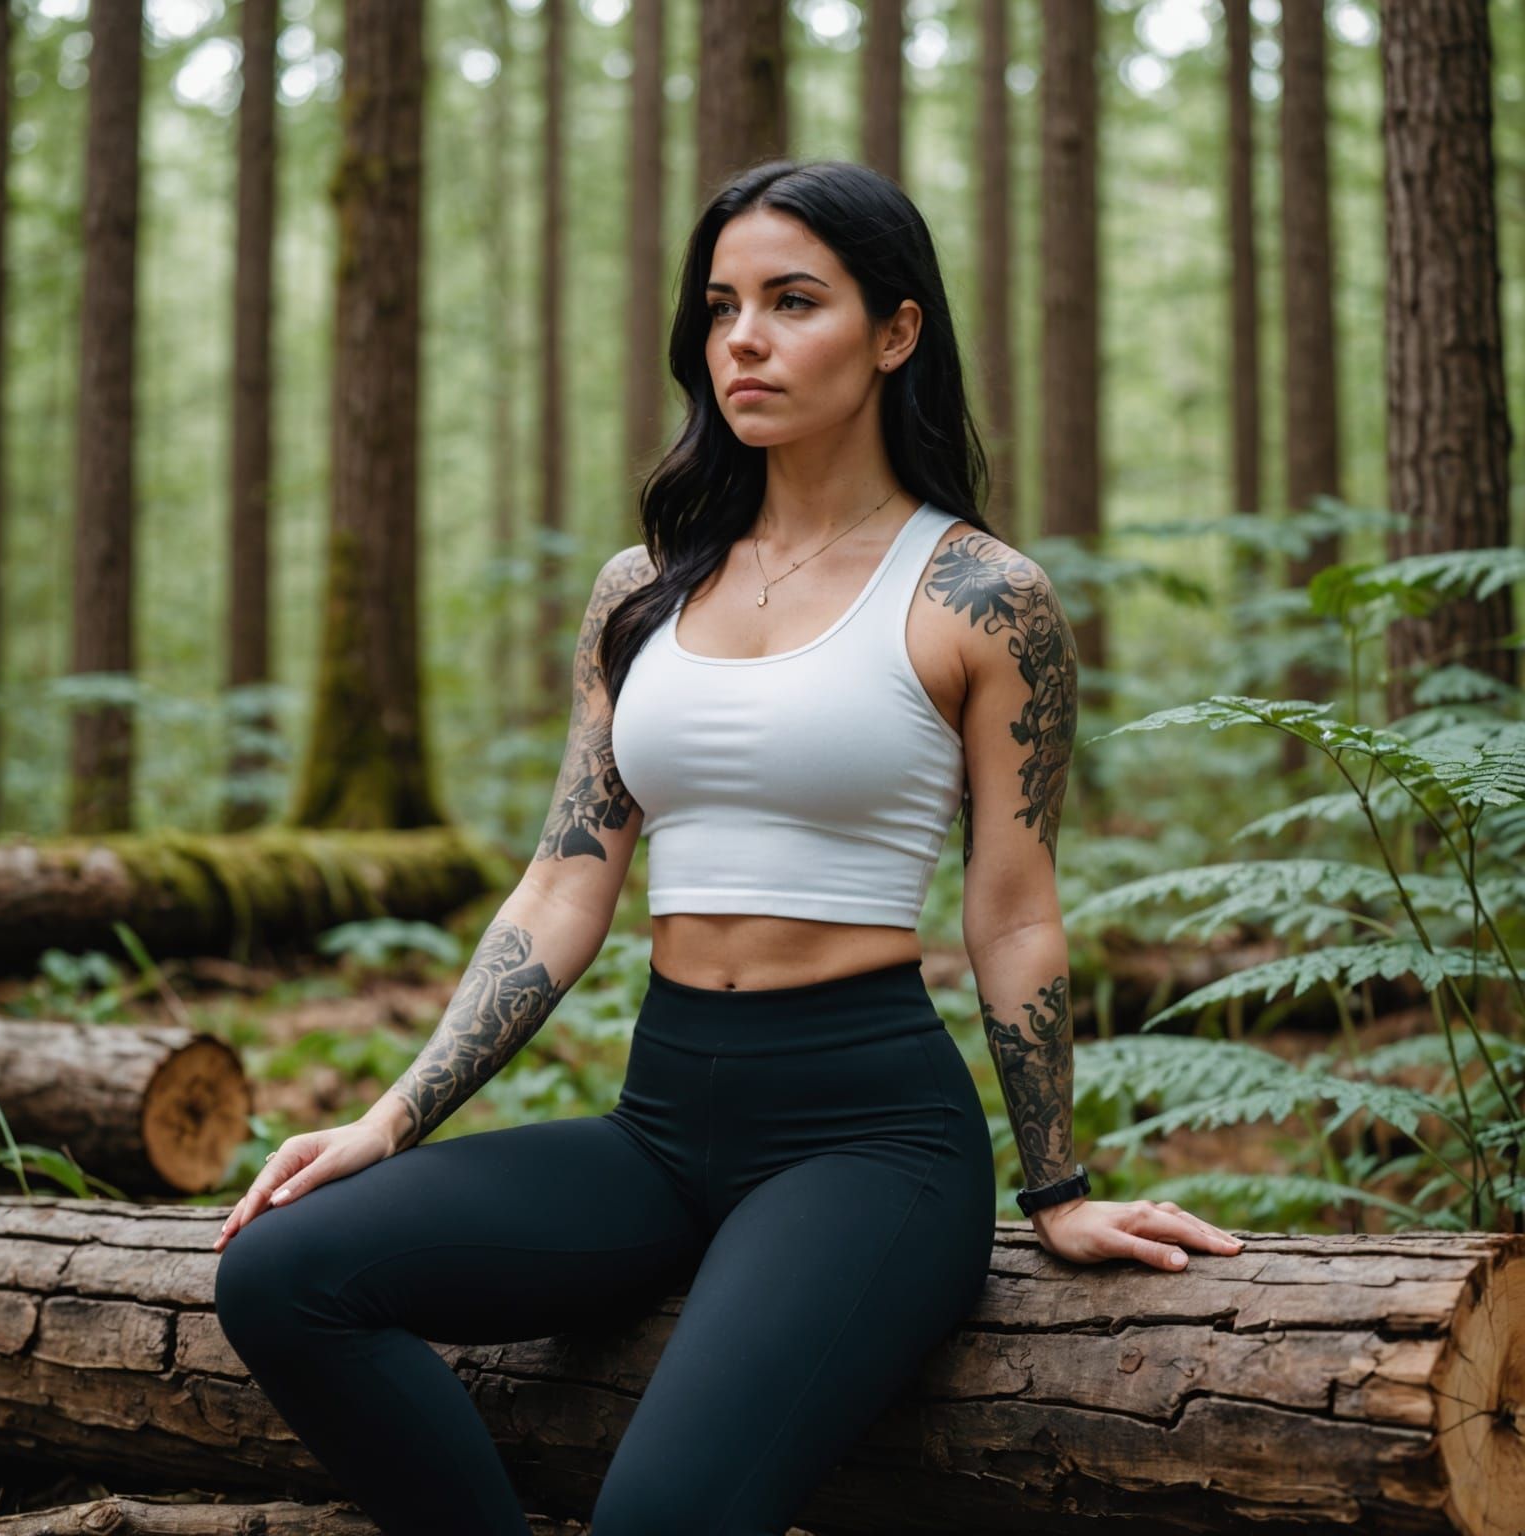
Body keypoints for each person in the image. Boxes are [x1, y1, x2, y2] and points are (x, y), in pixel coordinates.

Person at [212, 157, 1243, 1536]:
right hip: (663, 1123)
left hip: (872, 1146)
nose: (742, 338)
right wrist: (395, 1118)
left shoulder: (983, 595)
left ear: (895, 331)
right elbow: (566, 879)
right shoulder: (642, 590)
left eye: (792, 300)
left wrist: (1057, 1185)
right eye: (721, 306)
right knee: (282, 1276)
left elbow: (1011, 914)